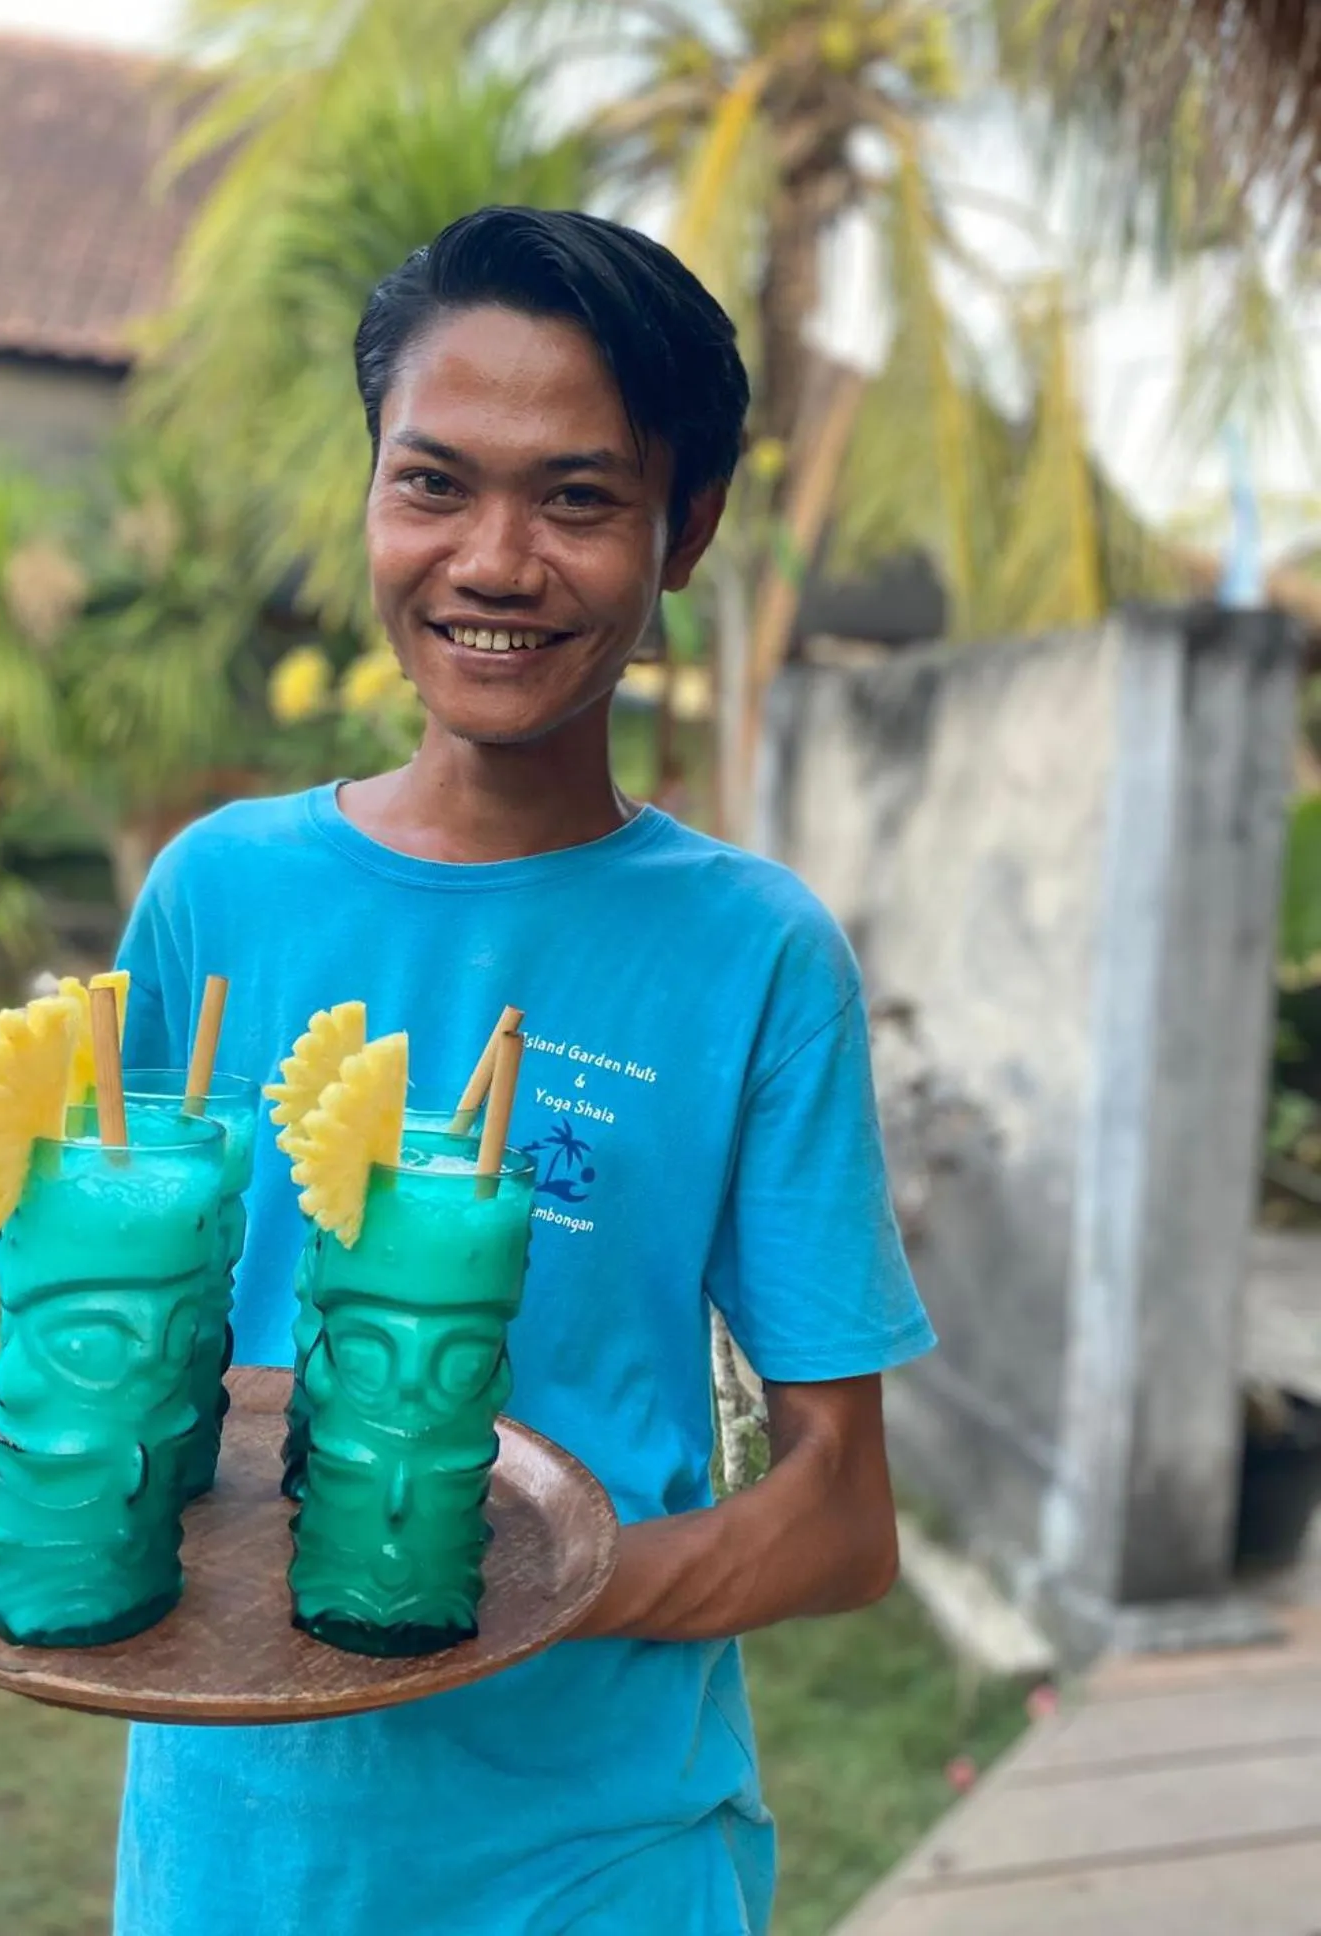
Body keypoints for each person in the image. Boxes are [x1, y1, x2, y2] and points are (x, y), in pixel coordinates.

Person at [113, 206, 935, 1936]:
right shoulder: (215, 895)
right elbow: (139, 1376)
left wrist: (503, 1582)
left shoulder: (755, 954)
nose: (494, 560)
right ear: (372, 500)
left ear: (683, 532)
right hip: (235, 1857)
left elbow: (843, 1515)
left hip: (599, 1866)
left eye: (577, 498)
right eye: (433, 484)